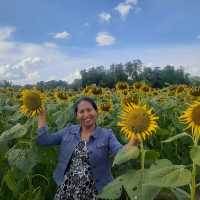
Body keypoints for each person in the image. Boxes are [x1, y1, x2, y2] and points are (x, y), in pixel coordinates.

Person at [37, 96, 138, 200]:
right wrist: (41, 115)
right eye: (81, 112)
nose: (86, 115)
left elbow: (120, 153)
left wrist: (134, 140)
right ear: (76, 115)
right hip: (67, 190)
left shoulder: (107, 135)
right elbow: (44, 140)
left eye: (89, 110)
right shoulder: (68, 131)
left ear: (96, 112)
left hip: (95, 192)